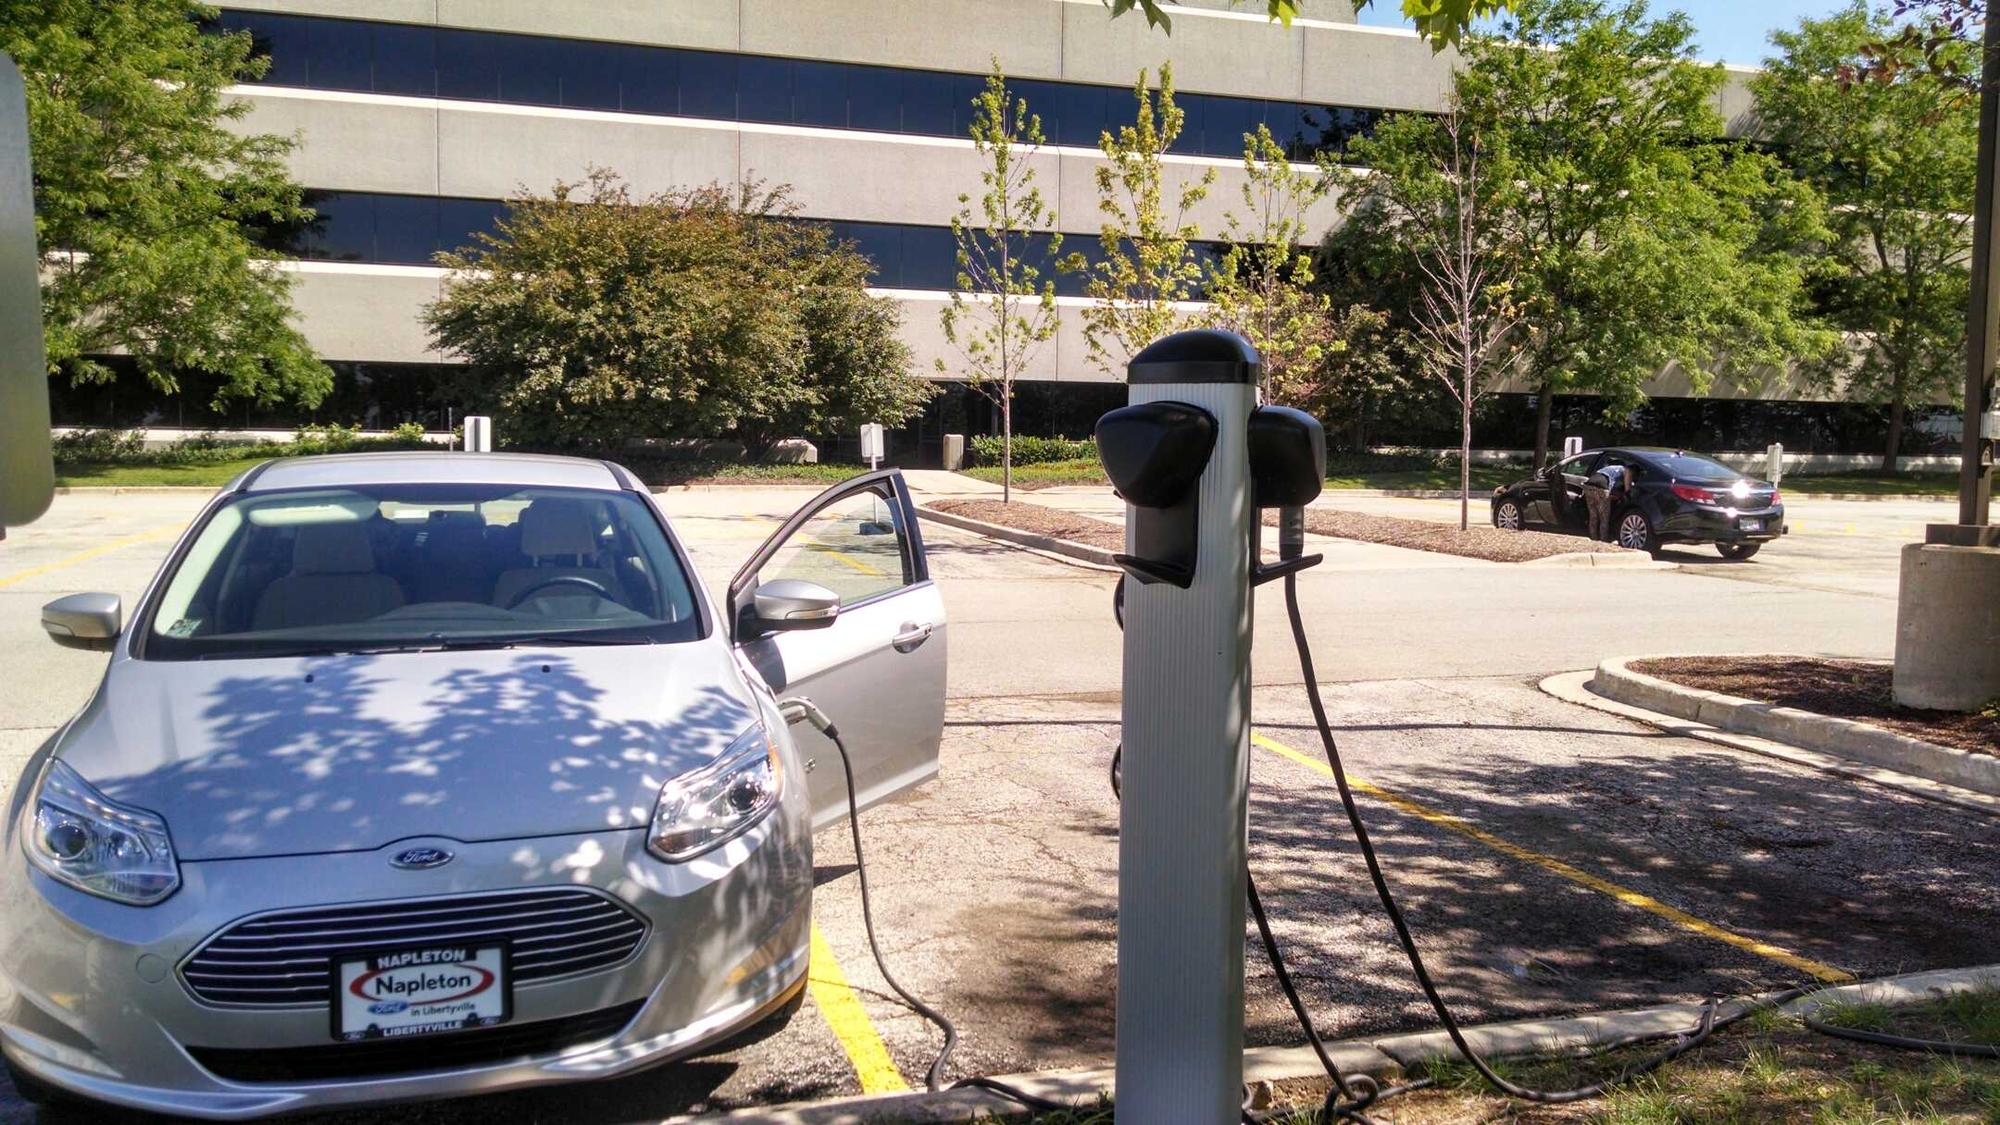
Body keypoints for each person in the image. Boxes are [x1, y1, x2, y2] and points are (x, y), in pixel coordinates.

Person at [1582, 460, 1628, 542]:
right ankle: (1603, 540)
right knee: (1604, 518)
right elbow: (1622, 484)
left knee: (1593, 515)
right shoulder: (1623, 469)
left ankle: (1593, 538)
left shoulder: (1605, 468)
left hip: (1588, 485)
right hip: (1602, 487)